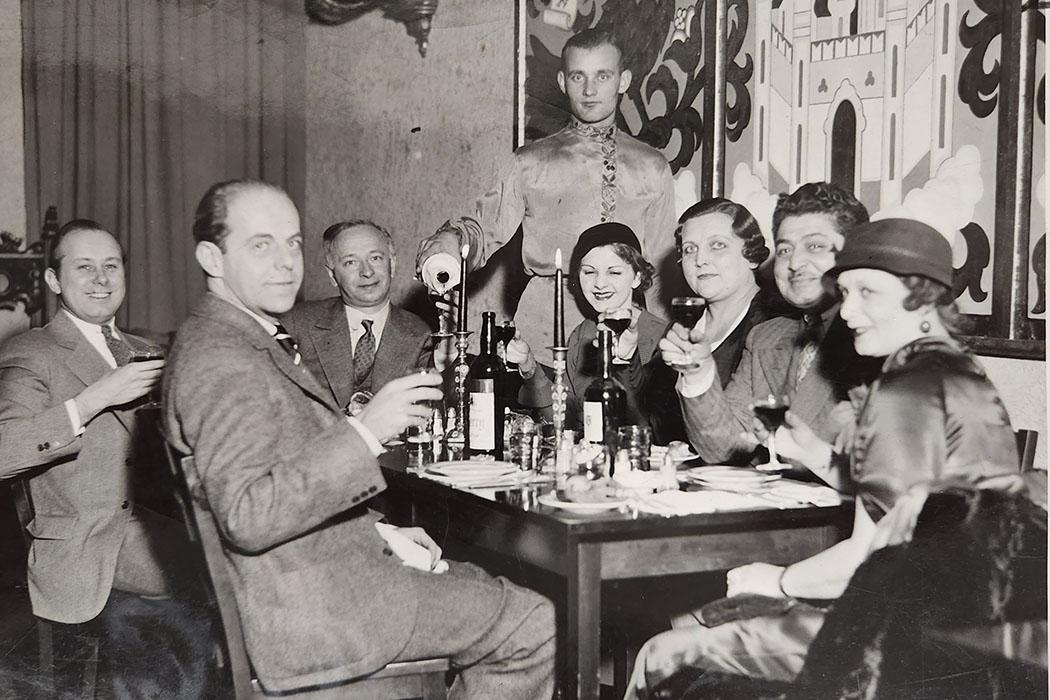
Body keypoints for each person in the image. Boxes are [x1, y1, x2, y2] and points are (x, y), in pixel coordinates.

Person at [164, 180, 555, 697]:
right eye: (261, 245)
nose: (285, 263)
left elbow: (274, 475)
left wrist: (381, 533)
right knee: (533, 621)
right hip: (319, 611)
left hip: (318, 575)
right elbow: (249, 515)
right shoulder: (222, 360)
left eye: (292, 243)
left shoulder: (229, 337)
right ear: (212, 257)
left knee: (489, 589)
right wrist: (367, 433)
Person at [625, 218, 1020, 698]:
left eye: (868, 294)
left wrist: (779, 579)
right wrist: (815, 452)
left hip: (904, 642)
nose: (848, 312)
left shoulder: (902, 391)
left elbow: (868, 557)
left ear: (923, 297)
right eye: (846, 293)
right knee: (710, 616)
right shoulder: (958, 371)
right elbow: (914, 502)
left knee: (661, 655)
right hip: (979, 627)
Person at [0, 219, 211, 694]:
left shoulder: (145, 351)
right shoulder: (32, 352)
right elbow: (4, 452)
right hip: (87, 543)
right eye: (84, 267)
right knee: (223, 582)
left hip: (157, 529)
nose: (101, 279)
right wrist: (93, 399)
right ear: (55, 281)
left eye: (111, 266)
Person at [416, 28, 675, 367]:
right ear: (562, 81)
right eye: (578, 76)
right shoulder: (529, 161)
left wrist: (657, 348)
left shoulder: (653, 166)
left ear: (623, 80)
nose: (590, 89)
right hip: (542, 336)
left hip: (624, 334)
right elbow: (481, 228)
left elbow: (656, 270)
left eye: (603, 75)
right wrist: (448, 244)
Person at [660, 182, 878, 482]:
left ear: (855, 253)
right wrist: (698, 373)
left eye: (814, 246)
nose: (795, 263)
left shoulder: (880, 340)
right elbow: (724, 449)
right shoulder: (767, 337)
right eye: (786, 249)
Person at [509, 222, 667, 429]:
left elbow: (658, 427)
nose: (600, 283)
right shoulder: (582, 334)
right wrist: (529, 367)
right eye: (589, 272)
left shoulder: (661, 337)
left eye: (614, 272)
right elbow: (563, 420)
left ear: (637, 277)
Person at [645, 198, 772, 445]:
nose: (700, 259)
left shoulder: (772, 327)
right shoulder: (682, 327)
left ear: (752, 256)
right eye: (690, 249)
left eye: (717, 245)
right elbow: (650, 416)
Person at [282, 220, 434, 411]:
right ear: (331, 275)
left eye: (375, 258)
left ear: (392, 264)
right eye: (351, 262)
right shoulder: (298, 322)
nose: (367, 272)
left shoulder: (420, 333)